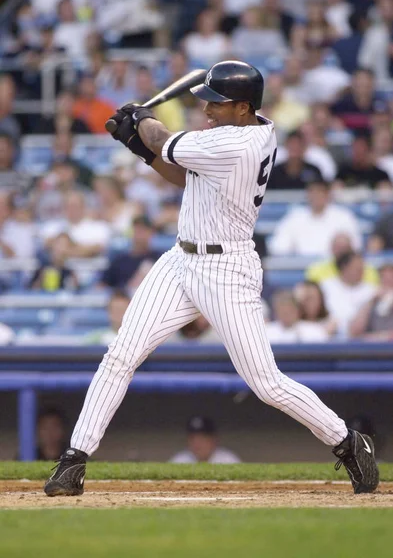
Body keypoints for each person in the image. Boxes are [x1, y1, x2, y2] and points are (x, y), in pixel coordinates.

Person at [44, 60, 379, 497]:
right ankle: (74, 459)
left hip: (226, 271)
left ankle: (347, 442)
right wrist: (140, 145)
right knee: (120, 354)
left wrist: (142, 120)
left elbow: (165, 143)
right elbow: (182, 173)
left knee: (266, 383)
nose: (207, 110)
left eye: (217, 104)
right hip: (180, 260)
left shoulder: (240, 144)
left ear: (243, 108)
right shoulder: (242, 130)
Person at [269, 176, 362, 256]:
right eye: (312, 192)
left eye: (320, 192)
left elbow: (356, 246)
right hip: (301, 269)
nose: (316, 196)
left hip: (334, 270)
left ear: (328, 194)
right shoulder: (295, 217)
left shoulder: (344, 216)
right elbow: (277, 247)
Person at [320, 251, 377, 338]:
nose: (361, 270)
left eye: (362, 267)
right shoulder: (325, 287)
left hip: (361, 339)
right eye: (357, 268)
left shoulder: (372, 291)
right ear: (344, 267)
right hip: (329, 336)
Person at [100, 215, 160, 292]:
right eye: (137, 231)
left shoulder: (159, 259)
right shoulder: (120, 261)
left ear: (151, 233)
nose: (140, 236)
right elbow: (102, 286)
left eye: (144, 231)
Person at [307, 232, 379, 285]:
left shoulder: (368, 270)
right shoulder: (316, 270)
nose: (341, 252)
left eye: (344, 248)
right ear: (331, 248)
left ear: (351, 249)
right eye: (337, 248)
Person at [349, 262, 393, 341]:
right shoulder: (370, 301)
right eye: (385, 280)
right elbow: (354, 332)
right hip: (373, 350)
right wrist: (371, 301)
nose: (388, 285)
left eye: (391, 280)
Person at [265, 290, 330, 343]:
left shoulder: (315, 331)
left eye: (289, 310)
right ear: (276, 312)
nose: (286, 314)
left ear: (298, 311)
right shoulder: (266, 332)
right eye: (282, 311)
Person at [169, 416, 241, 464]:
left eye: (202, 438)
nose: (197, 444)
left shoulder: (228, 460)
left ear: (214, 440)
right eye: (193, 438)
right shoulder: (179, 461)